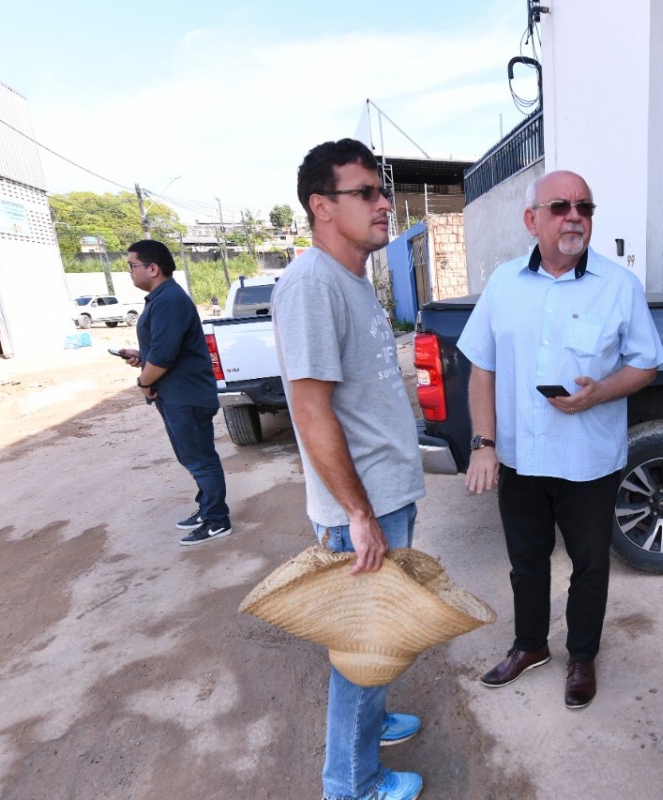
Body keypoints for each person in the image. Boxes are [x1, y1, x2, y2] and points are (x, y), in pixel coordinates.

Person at [457, 170, 663, 710]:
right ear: (532, 220)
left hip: (588, 461)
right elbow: (482, 366)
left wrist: (599, 394)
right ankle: (529, 646)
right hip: (521, 459)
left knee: (590, 565)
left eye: (584, 207)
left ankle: (581, 656)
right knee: (526, 562)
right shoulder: (504, 284)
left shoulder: (618, 287)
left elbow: (645, 365)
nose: (575, 216)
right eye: (560, 206)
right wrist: (483, 443)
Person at [271, 138, 426, 800]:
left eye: (381, 191)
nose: (383, 204)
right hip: (365, 511)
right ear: (322, 207)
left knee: (377, 637)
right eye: (365, 192)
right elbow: (311, 413)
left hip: (386, 497)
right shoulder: (310, 285)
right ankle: (353, 784)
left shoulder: (354, 279)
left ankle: (377, 720)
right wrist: (358, 516)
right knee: (360, 653)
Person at [119, 239, 232, 546]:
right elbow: (163, 350)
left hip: (186, 397)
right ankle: (206, 507)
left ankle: (217, 520)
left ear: (152, 268)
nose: (129, 272)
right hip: (176, 394)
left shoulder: (169, 300)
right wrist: (142, 356)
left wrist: (144, 381)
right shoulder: (161, 299)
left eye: (132, 266)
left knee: (200, 459)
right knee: (190, 456)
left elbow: (165, 356)